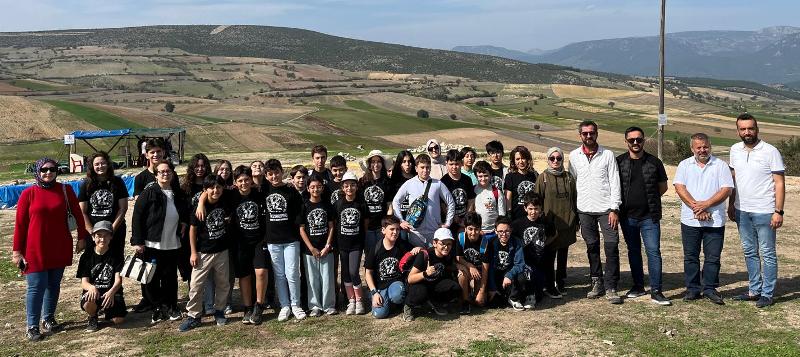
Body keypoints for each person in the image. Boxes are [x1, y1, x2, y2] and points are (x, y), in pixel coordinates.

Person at [13, 157, 89, 341]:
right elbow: (20, 225)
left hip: (59, 246)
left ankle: (48, 318)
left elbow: (79, 216)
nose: (48, 172)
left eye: (52, 169)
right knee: (36, 286)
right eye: (44, 170)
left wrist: (81, 238)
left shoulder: (65, 190)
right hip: (35, 249)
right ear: (37, 172)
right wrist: (17, 252)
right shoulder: (28, 194)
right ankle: (32, 326)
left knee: (53, 284)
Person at [728, 113, 786, 308]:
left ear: (757, 129)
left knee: (767, 253)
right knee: (749, 251)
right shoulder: (735, 150)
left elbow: (779, 183)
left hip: (765, 211)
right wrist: (731, 204)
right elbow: (734, 179)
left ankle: (767, 294)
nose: (747, 132)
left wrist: (778, 211)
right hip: (741, 211)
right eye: (743, 129)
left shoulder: (771, 151)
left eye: (750, 128)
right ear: (738, 131)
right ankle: (754, 290)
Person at [673, 133, 733, 305]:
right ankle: (692, 289)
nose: (702, 150)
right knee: (691, 256)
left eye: (705, 146)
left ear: (710, 146)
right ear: (692, 148)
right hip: (690, 219)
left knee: (713, 257)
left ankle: (710, 289)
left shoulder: (721, 165)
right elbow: (679, 188)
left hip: (715, 220)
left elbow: (726, 190)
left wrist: (706, 205)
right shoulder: (684, 165)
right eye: (698, 147)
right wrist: (697, 207)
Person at [568, 120, 623, 304]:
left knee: (611, 246)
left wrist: (615, 208)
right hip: (584, 210)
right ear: (580, 135)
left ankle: (611, 286)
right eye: (585, 133)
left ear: (597, 133)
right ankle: (596, 281)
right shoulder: (574, 156)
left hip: (606, 210)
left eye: (592, 133)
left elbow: (615, 182)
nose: (589, 136)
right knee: (592, 247)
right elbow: (573, 184)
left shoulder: (607, 155)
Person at [616, 127, 671, 305]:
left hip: (650, 217)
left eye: (638, 139)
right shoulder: (619, 162)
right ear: (626, 142)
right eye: (631, 140)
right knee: (633, 252)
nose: (635, 143)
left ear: (644, 140)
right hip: (627, 217)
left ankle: (656, 290)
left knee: (653, 252)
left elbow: (663, 187)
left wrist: (650, 200)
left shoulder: (654, 162)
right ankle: (638, 286)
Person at [131, 159, 189, 324]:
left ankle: (171, 307)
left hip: (172, 243)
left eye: (168, 171)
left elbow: (184, 210)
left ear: (172, 174)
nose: (165, 174)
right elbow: (137, 217)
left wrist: (184, 222)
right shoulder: (149, 192)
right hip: (152, 244)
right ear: (156, 175)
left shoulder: (177, 193)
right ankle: (157, 307)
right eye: (162, 171)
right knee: (152, 278)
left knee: (170, 277)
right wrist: (138, 241)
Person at [180, 175, 232, 331]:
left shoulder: (224, 200)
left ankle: (220, 311)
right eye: (212, 187)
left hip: (222, 250)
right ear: (205, 189)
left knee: (223, 283)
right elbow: (192, 230)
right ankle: (193, 316)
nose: (216, 190)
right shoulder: (199, 206)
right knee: (196, 285)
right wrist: (193, 252)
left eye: (218, 187)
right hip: (203, 252)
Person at [263, 159, 306, 321]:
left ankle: (296, 304)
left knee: (292, 273)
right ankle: (284, 305)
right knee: (279, 275)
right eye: (270, 174)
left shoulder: (291, 191)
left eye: (277, 173)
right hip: (273, 240)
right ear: (266, 176)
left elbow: (298, 213)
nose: (274, 176)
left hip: (290, 239)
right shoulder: (263, 190)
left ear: (282, 172)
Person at [227, 166, 269, 324]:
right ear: (235, 183)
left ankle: (259, 304)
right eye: (240, 181)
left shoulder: (259, 194)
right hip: (240, 242)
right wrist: (201, 203)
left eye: (246, 180)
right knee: (244, 275)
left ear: (251, 180)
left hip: (259, 240)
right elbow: (210, 192)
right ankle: (248, 307)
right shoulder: (230, 196)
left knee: (261, 272)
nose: (244, 183)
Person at [534, 147, 577, 293]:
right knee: (550, 254)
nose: (555, 161)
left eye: (558, 158)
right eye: (552, 158)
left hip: (567, 222)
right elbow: (537, 200)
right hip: (550, 224)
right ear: (548, 159)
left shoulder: (569, 177)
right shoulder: (543, 177)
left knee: (563, 254)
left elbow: (574, 198)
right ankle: (549, 284)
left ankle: (561, 281)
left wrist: (575, 219)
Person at [391, 154, 455, 248]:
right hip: (415, 233)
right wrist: (401, 221)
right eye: (422, 167)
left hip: (434, 231)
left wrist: (447, 223)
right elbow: (396, 202)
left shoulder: (438, 184)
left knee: (432, 260)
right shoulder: (409, 184)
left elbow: (450, 202)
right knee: (417, 260)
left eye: (428, 167)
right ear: (416, 168)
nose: (425, 170)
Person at [364, 216, 419, 319]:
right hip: (380, 286)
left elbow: (415, 250)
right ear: (383, 230)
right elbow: (368, 273)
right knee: (380, 314)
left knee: (397, 295)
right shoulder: (375, 248)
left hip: (396, 283)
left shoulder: (402, 245)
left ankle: (396, 302)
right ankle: (375, 298)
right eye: (392, 229)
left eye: (398, 229)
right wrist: (374, 293)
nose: (395, 232)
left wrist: (417, 248)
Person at [79, 151, 129, 262]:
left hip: (115, 229)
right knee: (93, 262)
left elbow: (123, 208)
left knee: (115, 262)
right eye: (97, 164)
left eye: (103, 163)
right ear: (92, 166)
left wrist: (111, 231)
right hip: (93, 231)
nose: (100, 166)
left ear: (108, 164)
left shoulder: (118, 182)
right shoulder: (85, 184)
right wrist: (92, 232)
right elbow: (82, 211)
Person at [403, 228, 462, 321]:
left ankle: (435, 303)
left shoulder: (448, 256)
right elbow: (410, 279)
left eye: (449, 244)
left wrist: (458, 269)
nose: (446, 247)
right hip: (419, 284)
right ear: (434, 243)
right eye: (442, 243)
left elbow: (449, 267)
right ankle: (408, 305)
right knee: (420, 292)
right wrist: (425, 273)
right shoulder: (424, 255)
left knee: (454, 288)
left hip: (434, 284)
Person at [299, 174, 337, 316]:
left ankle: (328, 305)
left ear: (323, 187)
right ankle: (314, 305)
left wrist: (327, 246)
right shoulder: (304, 206)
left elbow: (331, 226)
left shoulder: (327, 205)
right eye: (312, 187)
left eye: (318, 187)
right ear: (308, 188)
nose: (316, 189)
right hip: (310, 249)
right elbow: (302, 229)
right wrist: (311, 248)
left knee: (327, 277)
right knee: (312, 278)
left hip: (326, 248)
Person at [78, 221, 126, 332]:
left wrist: (112, 292)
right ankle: (92, 316)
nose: (102, 239)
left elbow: (118, 280)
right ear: (93, 237)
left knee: (118, 321)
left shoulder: (117, 255)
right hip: (94, 292)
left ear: (110, 237)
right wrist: (92, 288)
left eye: (106, 236)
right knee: (89, 302)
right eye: (99, 236)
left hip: (111, 292)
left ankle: (108, 311)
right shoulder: (86, 256)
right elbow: (84, 282)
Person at [335, 171, 369, 315]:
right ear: (342, 187)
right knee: (346, 273)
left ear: (356, 186)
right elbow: (336, 223)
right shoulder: (338, 204)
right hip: (342, 244)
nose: (349, 188)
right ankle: (351, 300)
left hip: (356, 244)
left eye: (352, 185)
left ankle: (359, 300)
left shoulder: (361, 203)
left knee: (354, 271)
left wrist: (361, 239)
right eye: (346, 185)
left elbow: (365, 223)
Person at [179, 153, 211, 290]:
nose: (200, 169)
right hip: (190, 230)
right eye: (197, 166)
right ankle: (194, 294)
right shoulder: (185, 188)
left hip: (208, 230)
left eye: (203, 166)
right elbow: (182, 209)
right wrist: (184, 223)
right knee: (191, 264)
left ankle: (208, 297)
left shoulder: (210, 184)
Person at [511, 192, 551, 301]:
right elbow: (512, 239)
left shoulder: (544, 222)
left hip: (540, 262)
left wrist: (544, 244)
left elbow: (554, 234)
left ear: (541, 208)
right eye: (531, 209)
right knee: (525, 285)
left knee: (538, 297)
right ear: (525, 208)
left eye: (536, 209)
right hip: (525, 262)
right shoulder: (517, 224)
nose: (533, 212)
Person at [489, 217, 532, 311]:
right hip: (496, 274)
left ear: (511, 230)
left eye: (507, 231)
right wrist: (492, 287)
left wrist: (509, 275)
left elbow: (520, 264)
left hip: (510, 273)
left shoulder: (517, 242)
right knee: (494, 304)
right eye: (500, 231)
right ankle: (503, 295)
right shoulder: (490, 243)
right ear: (495, 231)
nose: (504, 234)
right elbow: (489, 267)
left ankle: (514, 298)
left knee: (522, 276)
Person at [455, 212, 493, 314]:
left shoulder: (485, 242)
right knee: (462, 274)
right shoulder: (461, 237)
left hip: (479, 272)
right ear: (465, 228)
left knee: (480, 302)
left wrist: (481, 292)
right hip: (467, 269)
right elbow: (458, 258)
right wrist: (470, 266)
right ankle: (465, 301)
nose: (473, 232)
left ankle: (474, 292)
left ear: (480, 229)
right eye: (470, 229)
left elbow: (485, 269)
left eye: (476, 229)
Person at [359, 150, 392, 254]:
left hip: (381, 226)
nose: (376, 164)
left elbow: (389, 206)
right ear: (369, 164)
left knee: (381, 254)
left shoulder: (387, 182)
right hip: (367, 225)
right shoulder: (363, 182)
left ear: (382, 164)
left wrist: (387, 225)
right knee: (369, 255)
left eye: (378, 161)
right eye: (373, 162)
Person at [441, 149, 476, 231]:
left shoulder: (467, 180)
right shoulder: (443, 181)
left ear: (461, 163)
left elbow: (471, 200)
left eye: (457, 164)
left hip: (465, 220)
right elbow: (443, 204)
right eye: (451, 164)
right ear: (446, 164)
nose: (454, 167)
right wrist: (453, 217)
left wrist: (466, 217)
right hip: (448, 221)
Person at [504, 146, 538, 220]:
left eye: (523, 158)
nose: (521, 161)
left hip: (532, 216)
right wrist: (509, 213)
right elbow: (508, 198)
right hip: (516, 216)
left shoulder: (534, 175)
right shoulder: (510, 177)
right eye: (517, 159)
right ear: (514, 161)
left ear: (527, 159)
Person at [473, 161, 507, 233]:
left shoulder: (497, 192)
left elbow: (502, 214)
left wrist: (498, 229)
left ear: (491, 175)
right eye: (480, 176)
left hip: (493, 231)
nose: (483, 179)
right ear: (476, 176)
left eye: (486, 175)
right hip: (477, 232)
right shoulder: (473, 191)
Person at [388, 150, 416, 222]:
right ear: (399, 163)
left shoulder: (417, 178)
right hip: (399, 218)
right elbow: (391, 200)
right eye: (404, 161)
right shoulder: (394, 180)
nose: (407, 164)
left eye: (409, 161)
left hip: (415, 217)